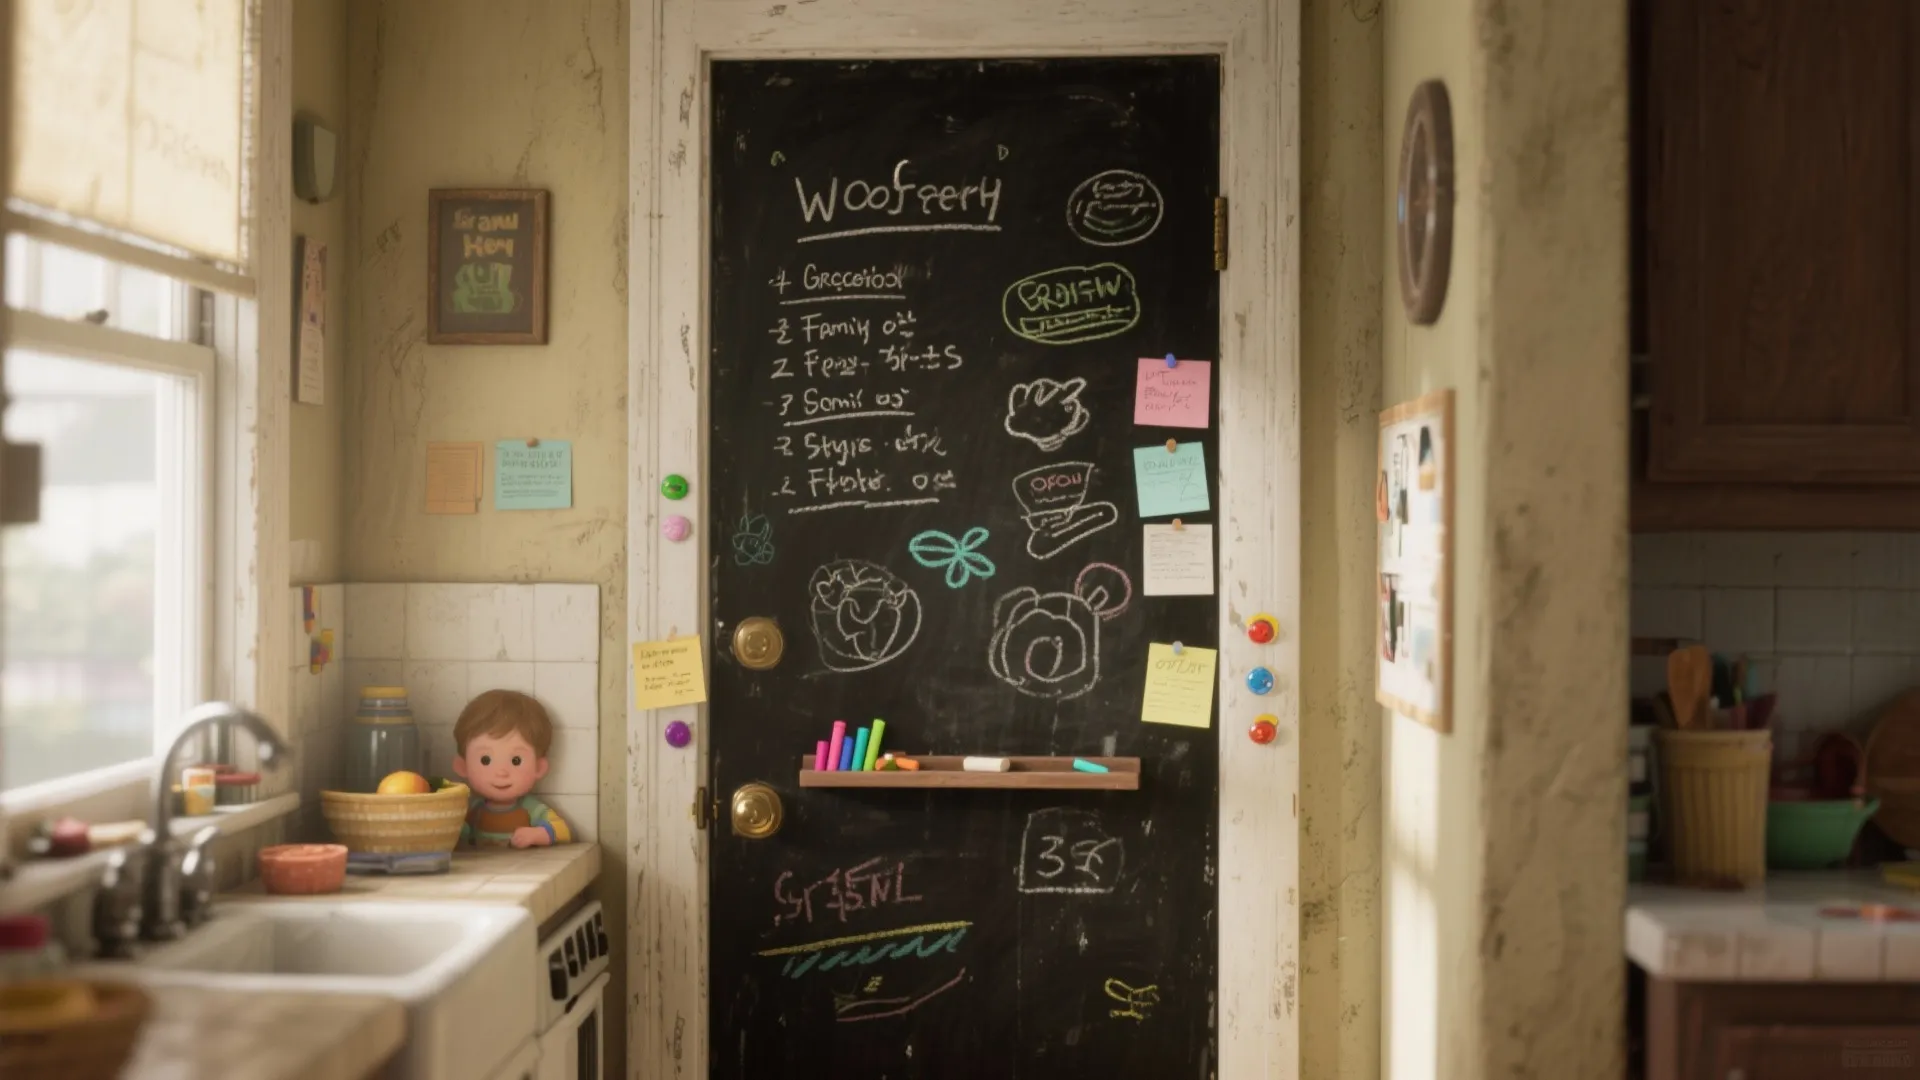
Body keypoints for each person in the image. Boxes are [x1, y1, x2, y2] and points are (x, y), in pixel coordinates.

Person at [450, 689, 572, 848]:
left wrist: (537, 835)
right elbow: (455, 832)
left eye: (516, 760)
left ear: (539, 768)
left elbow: (563, 831)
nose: (501, 772)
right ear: (462, 766)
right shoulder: (473, 810)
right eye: (485, 760)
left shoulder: (531, 809)